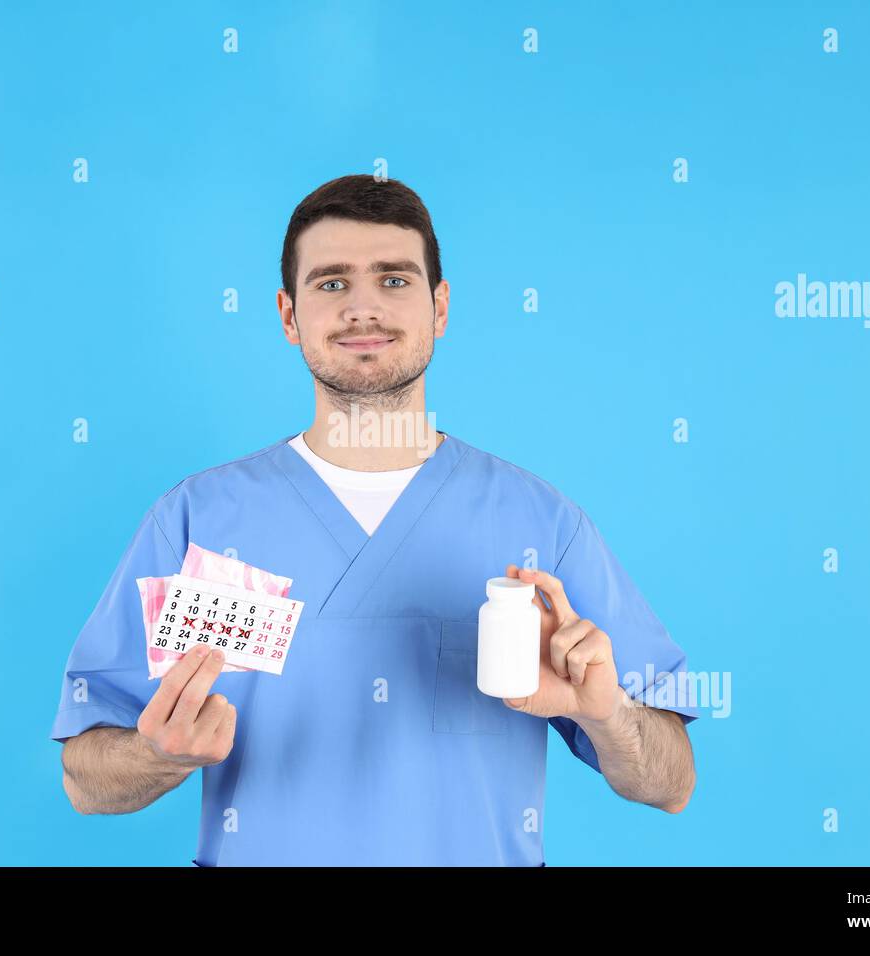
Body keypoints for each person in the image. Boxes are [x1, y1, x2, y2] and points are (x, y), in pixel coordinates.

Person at [51, 174, 698, 866]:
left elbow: (672, 782)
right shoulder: (201, 519)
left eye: (394, 281)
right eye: (332, 283)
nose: (363, 308)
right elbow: (86, 780)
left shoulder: (538, 522)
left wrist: (607, 715)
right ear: (288, 315)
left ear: (440, 307)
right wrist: (156, 754)